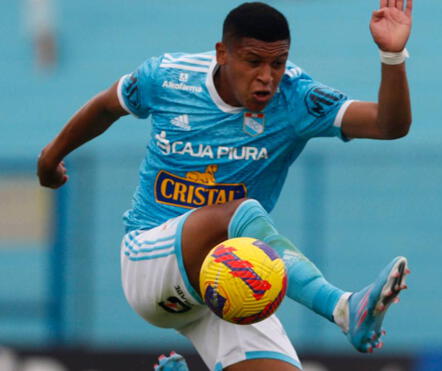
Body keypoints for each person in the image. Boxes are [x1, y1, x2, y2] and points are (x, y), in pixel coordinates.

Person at [37, 1, 413, 370]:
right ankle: (342, 308)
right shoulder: (168, 77)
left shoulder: (295, 98)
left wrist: (392, 57)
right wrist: (50, 157)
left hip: (230, 279)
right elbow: (106, 106)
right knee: (242, 213)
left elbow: (388, 125)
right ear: (223, 54)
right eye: (254, 62)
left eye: (277, 63)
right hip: (150, 260)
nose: (267, 76)